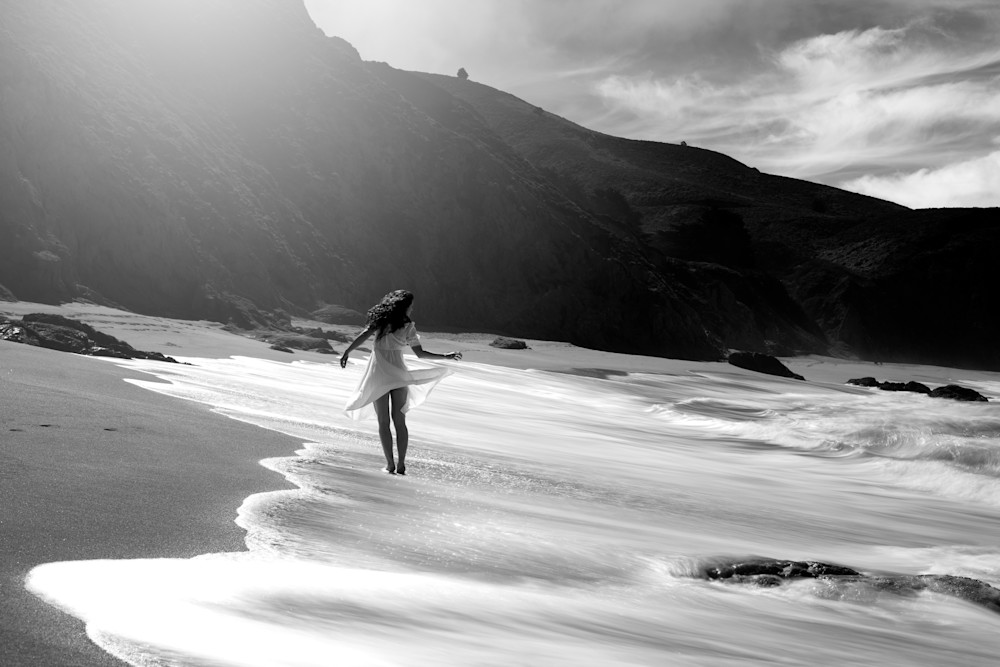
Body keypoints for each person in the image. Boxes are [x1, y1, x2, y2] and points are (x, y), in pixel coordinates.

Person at [340, 290, 461, 475]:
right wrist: (446, 356)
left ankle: (390, 464)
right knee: (400, 420)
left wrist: (347, 351)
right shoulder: (408, 326)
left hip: (379, 376)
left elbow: (364, 335)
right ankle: (402, 464)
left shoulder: (380, 322)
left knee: (383, 421)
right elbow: (420, 353)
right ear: (405, 306)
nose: (413, 308)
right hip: (398, 376)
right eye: (411, 305)